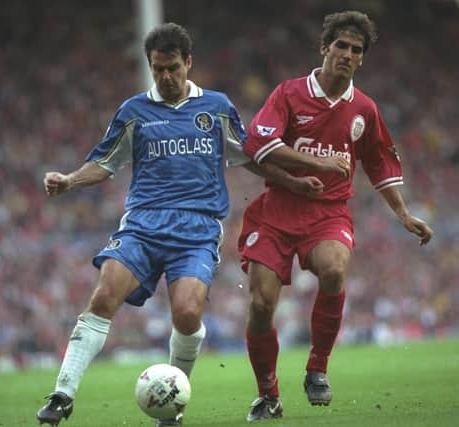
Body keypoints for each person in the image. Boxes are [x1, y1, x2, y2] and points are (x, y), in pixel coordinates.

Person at [35, 23, 344, 427]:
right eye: (157, 69)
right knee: (104, 295)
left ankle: (171, 406)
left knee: (185, 313)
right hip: (143, 225)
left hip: (197, 229)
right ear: (150, 65)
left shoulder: (216, 107)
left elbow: (250, 155)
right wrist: (70, 180)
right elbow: (106, 162)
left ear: (188, 63)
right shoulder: (133, 112)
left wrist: (292, 182)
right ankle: (62, 395)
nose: (165, 77)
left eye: (172, 68)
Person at [238, 11, 434, 421]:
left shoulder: (364, 109)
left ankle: (317, 368)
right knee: (259, 304)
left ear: (362, 59)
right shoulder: (289, 94)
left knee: (334, 269)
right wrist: (316, 166)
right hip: (276, 211)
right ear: (324, 48)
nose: (346, 54)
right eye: (340, 46)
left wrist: (403, 214)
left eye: (355, 50)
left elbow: (380, 164)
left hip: (328, 213)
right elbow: (257, 143)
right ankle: (268, 394)